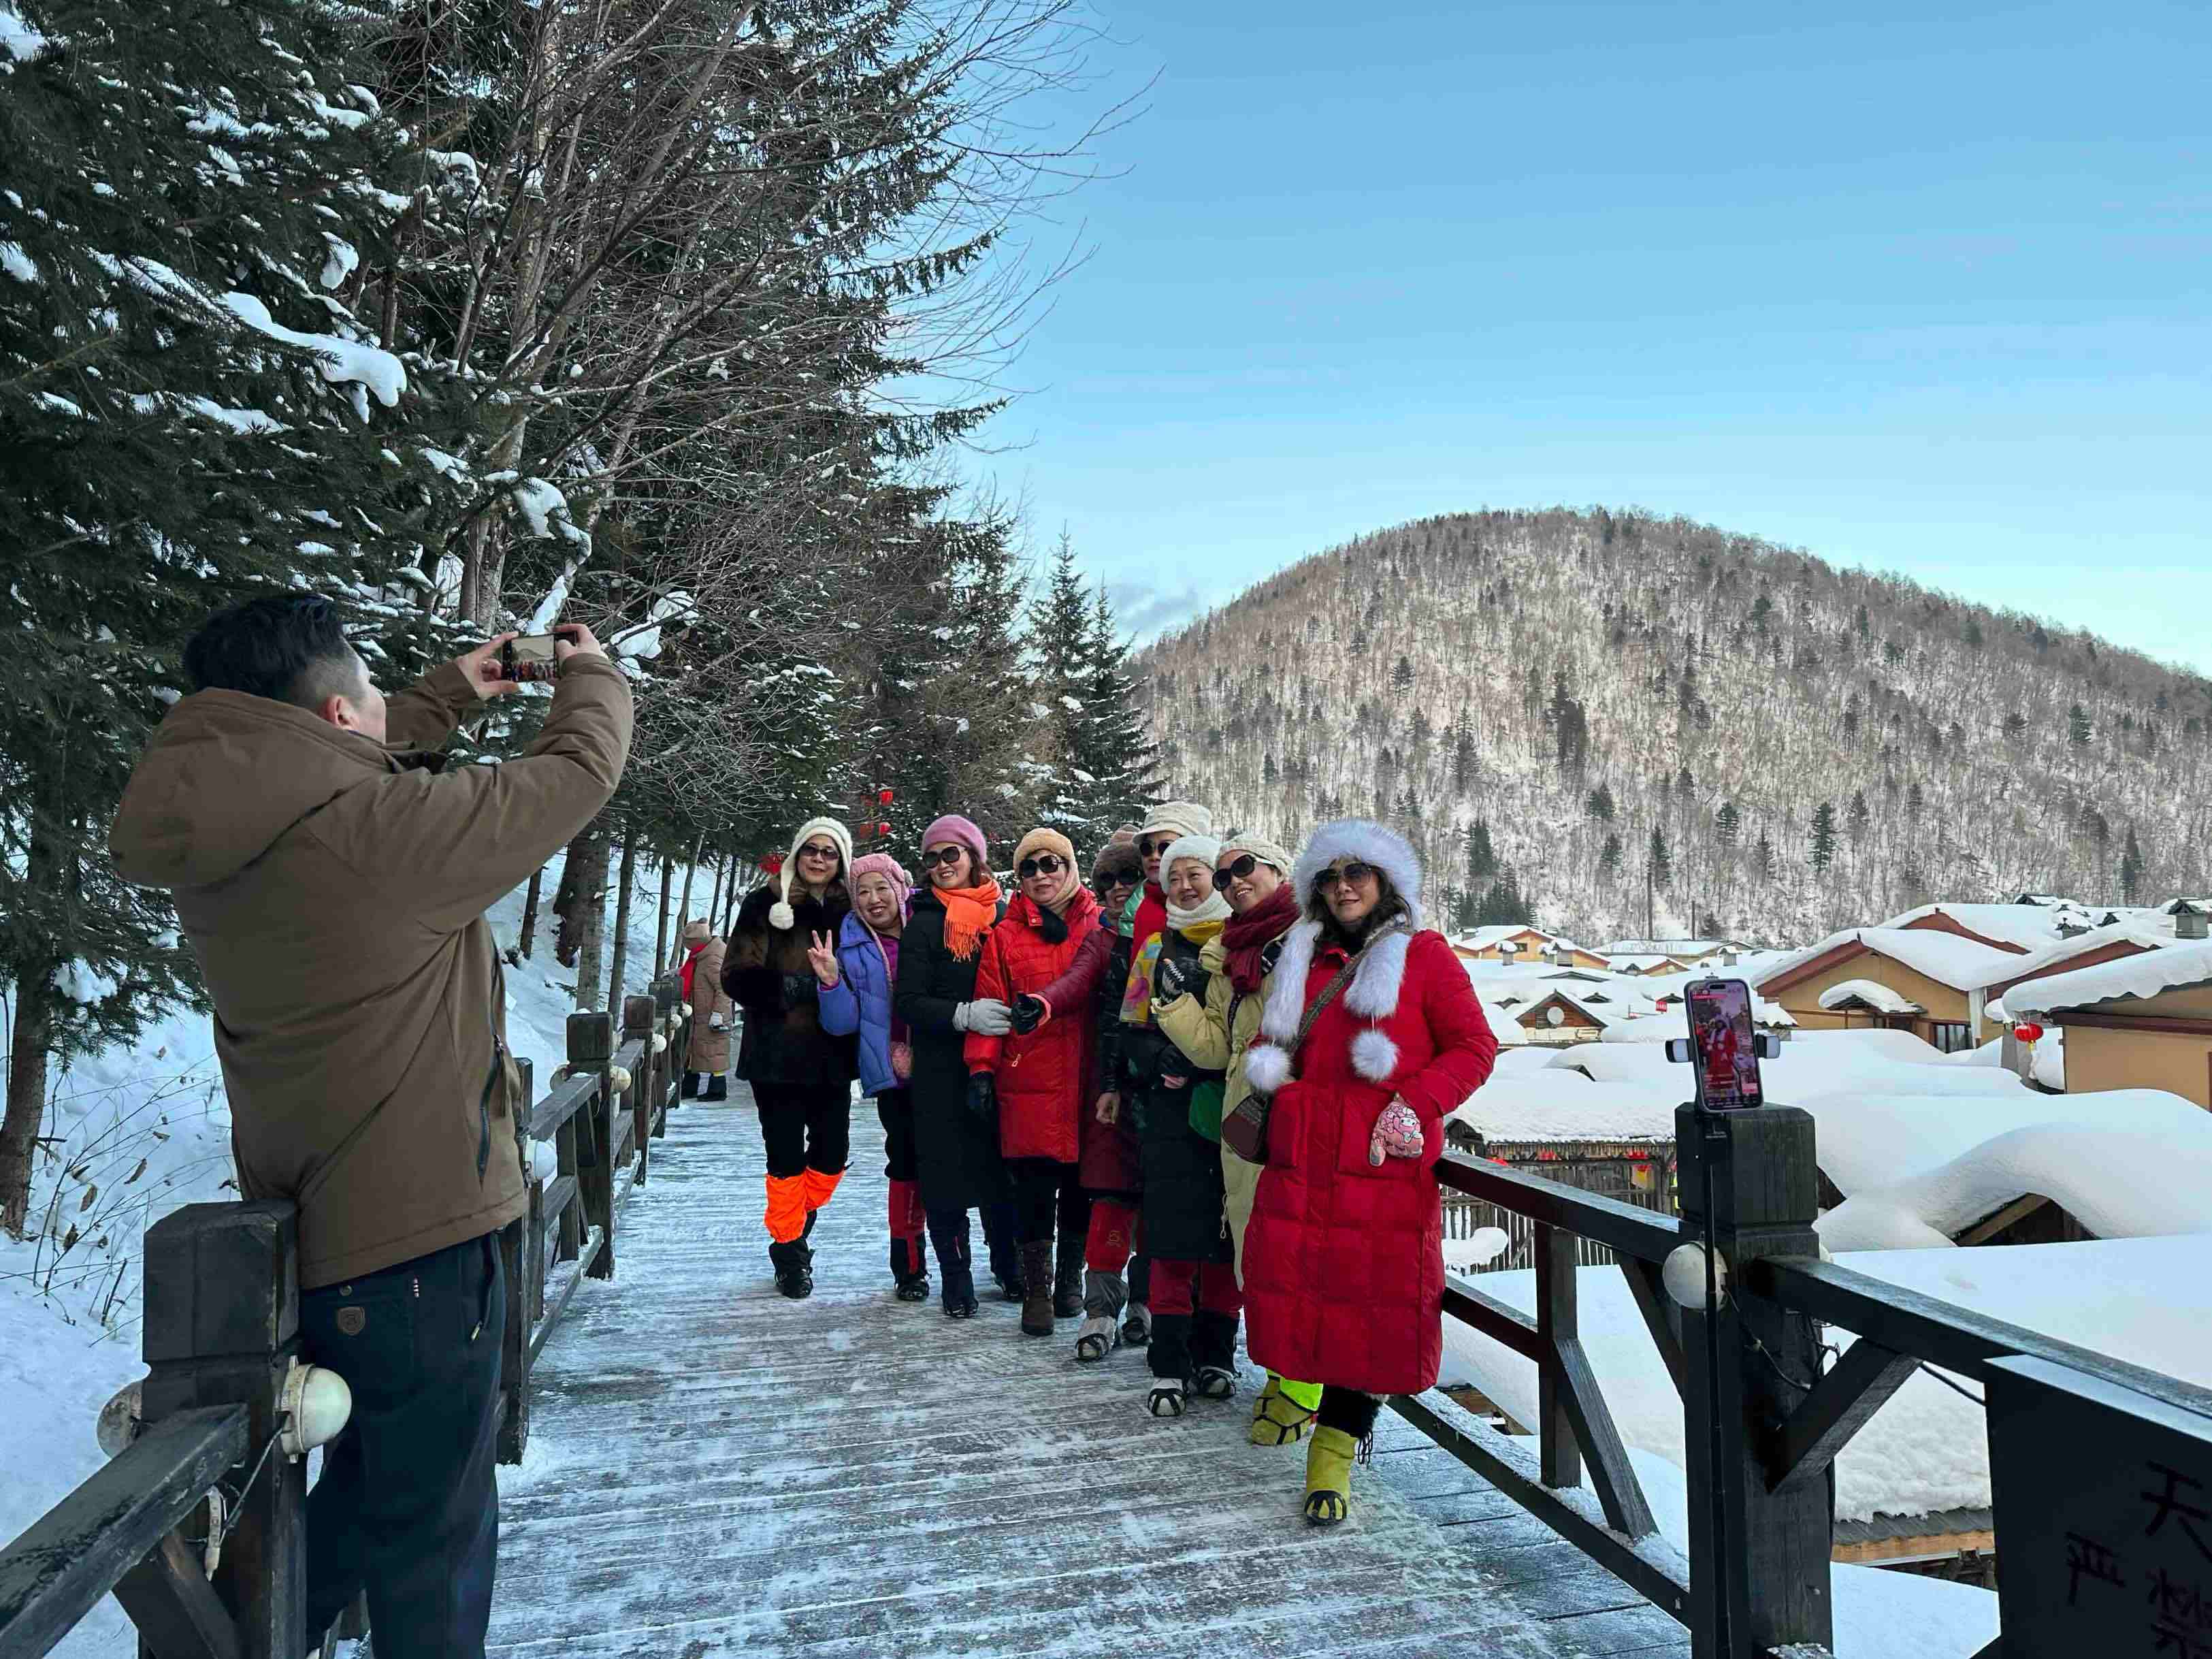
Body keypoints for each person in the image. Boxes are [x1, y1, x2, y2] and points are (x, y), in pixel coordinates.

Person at [111, 594, 632, 1658]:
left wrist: (444, 694)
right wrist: (593, 674)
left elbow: (328, 769)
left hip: (324, 1235)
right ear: (342, 718)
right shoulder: (376, 840)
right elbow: (576, 775)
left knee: (355, 1509)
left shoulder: (227, 839)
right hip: (425, 1252)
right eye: (367, 695)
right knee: (435, 1545)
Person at [1240, 820, 1498, 1526]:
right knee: (1295, 1297)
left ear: (1386, 883)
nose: (1343, 886)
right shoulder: (1301, 957)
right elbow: (1275, 1044)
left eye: (1357, 872)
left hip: (1379, 1168)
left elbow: (1475, 1046)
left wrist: (1414, 1103)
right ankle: (1294, 1399)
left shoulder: (1425, 956)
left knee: (1367, 1313)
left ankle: (1333, 1451)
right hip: (1302, 1163)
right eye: (1329, 875)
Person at [1152, 831, 1321, 1446]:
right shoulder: (1231, 953)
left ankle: (1303, 1386)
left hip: (1297, 1122)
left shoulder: (1313, 938)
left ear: (1278, 868)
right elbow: (1221, 1048)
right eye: (1224, 877)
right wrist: (1173, 1006)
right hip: (1243, 1123)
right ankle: (1283, 1373)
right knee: (1258, 1251)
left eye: (1243, 867)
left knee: (1296, 1250)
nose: (1233, 882)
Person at [1114, 832, 1239, 1417]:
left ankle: (1217, 1354)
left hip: (1232, 1111)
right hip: (1168, 1114)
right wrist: (1152, 1057)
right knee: (1169, 1239)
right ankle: (1168, 1362)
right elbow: (1130, 1023)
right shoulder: (1153, 949)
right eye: (1175, 878)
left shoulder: (1243, 943)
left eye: (1198, 874)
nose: (1187, 886)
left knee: (1224, 1239)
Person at [963, 828, 1105, 1336]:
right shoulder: (1005, 934)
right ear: (1018, 877)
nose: (1042, 875)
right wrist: (981, 1069)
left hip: (1089, 1074)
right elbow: (991, 1005)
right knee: (1035, 1187)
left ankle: (1072, 1279)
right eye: (1031, 867)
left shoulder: (1100, 924)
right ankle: (1038, 1290)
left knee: (1083, 1186)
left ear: (1071, 868)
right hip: (1029, 1076)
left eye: (1052, 864)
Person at [724, 818, 860, 1300]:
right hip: (776, 1056)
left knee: (830, 1156)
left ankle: (792, 1228)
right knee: (784, 1158)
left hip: (832, 1056)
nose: (819, 858)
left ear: (841, 861)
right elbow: (736, 975)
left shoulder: (853, 910)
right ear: (797, 853)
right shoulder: (765, 904)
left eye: (830, 852)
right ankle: (790, 1253)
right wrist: (799, 987)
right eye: (811, 849)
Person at [1095, 801, 1213, 1351]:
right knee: (1157, 1204)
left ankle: (1208, 1337)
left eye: (1170, 848)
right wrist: (1117, 1079)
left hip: (1217, 1092)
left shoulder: (1239, 928)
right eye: (1150, 849)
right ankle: (1159, 1321)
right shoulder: (1141, 928)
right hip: (1153, 1091)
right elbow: (1124, 1010)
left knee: (1211, 1219)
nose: (1156, 859)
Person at [893, 814, 1022, 1318]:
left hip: (998, 1065)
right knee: (945, 1177)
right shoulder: (924, 920)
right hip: (941, 1068)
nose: (942, 865)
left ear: (974, 858)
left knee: (999, 1172)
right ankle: (956, 1277)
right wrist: (962, 1015)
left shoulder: (1004, 914)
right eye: (932, 857)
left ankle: (1009, 1267)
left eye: (952, 854)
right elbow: (907, 1001)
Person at [815, 851, 931, 1301]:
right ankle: (910, 1268)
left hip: (941, 1068)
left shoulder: (928, 926)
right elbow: (844, 1023)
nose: (873, 899)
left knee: (943, 1164)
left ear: (900, 888)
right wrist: (830, 981)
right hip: (891, 1075)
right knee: (904, 1165)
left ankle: (964, 1259)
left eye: (882, 887)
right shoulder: (848, 944)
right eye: (862, 892)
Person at [678, 916, 734, 1100]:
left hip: (712, 1014)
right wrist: (677, 974)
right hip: (702, 1013)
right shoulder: (703, 955)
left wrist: (718, 1014)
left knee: (714, 1052)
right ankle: (690, 1086)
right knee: (698, 1050)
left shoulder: (711, 959)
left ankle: (717, 1090)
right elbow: (695, 975)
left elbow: (724, 988)